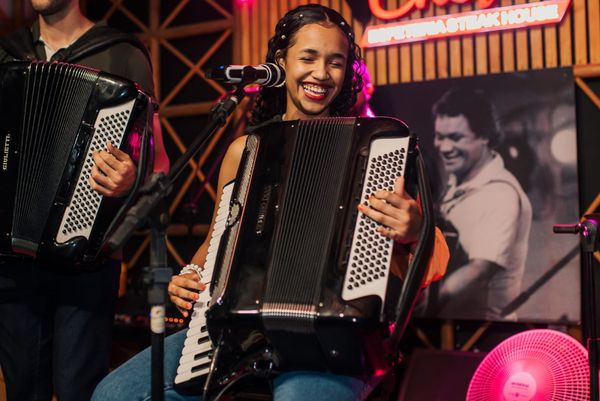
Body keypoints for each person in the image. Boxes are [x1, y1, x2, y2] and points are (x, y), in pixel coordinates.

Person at [92, 5, 448, 401]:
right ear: (280, 63)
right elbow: (216, 245)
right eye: (308, 57)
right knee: (114, 393)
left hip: (338, 337)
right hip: (240, 332)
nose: (321, 73)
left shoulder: (375, 147)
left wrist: (415, 230)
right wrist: (190, 277)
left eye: (335, 62)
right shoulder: (245, 151)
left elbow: (436, 254)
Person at [0, 1, 169, 400]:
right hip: (11, 257)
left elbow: (158, 161)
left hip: (87, 258)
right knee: (23, 389)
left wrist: (132, 178)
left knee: (81, 389)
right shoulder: (7, 53)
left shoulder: (123, 52)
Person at [428, 87, 532, 321]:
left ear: (485, 136)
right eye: (440, 136)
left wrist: (422, 304)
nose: (444, 147)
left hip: (482, 335)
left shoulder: (500, 194)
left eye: (456, 138)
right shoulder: (460, 181)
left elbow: (478, 271)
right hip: (451, 330)